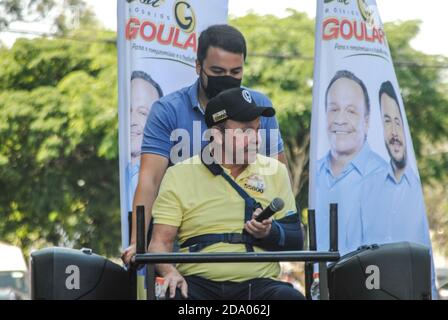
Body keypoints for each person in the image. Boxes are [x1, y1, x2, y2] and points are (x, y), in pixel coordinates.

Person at [122, 25, 288, 265]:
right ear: (198, 66)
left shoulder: (259, 107)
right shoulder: (168, 110)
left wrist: (283, 231)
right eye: (218, 71)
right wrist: (137, 241)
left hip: (245, 236)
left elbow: (279, 171)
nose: (227, 79)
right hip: (184, 236)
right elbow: (149, 180)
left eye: (235, 72)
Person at [148, 88, 304, 300]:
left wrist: (269, 233)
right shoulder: (178, 175)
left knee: (290, 298)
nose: (256, 139)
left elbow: (296, 240)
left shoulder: (276, 171)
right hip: (197, 287)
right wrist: (169, 272)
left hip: (259, 288)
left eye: (257, 130)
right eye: (245, 132)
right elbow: (159, 244)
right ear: (216, 135)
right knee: (172, 297)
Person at [360, 80, 437, 298]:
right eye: (387, 122)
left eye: (397, 121)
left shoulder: (415, 190)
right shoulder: (368, 186)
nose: (394, 132)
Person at [315, 70, 387, 255]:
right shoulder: (314, 173)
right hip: (317, 281)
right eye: (333, 109)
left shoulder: (387, 179)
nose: (340, 120)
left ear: (366, 121)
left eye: (351, 111)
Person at [127, 71, 164, 213]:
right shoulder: (112, 174)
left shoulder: (169, 179)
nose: (132, 120)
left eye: (142, 113)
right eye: (128, 110)